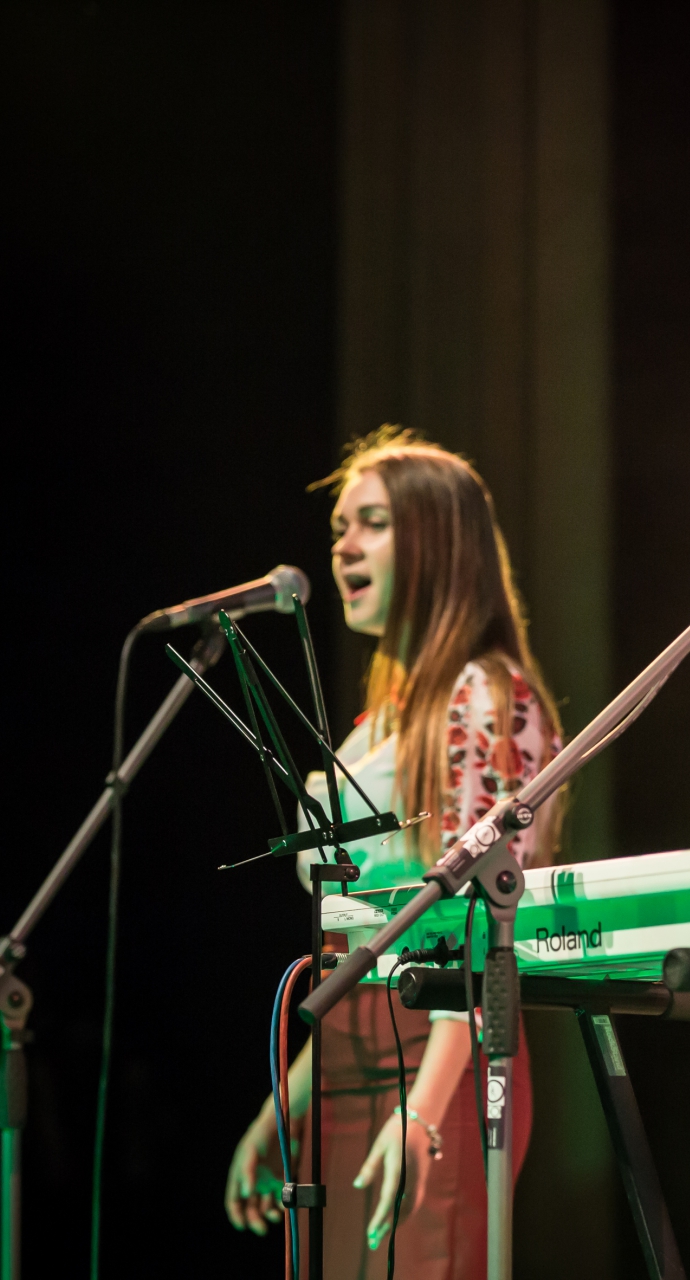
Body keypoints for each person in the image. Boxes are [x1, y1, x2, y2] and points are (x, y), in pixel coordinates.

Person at [223, 428, 562, 1278]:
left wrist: (424, 1113)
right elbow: (361, 943)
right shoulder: (381, 723)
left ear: (437, 541)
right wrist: (283, 1106)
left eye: (372, 523)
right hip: (349, 1064)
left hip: (438, 1057)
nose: (343, 546)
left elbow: (481, 930)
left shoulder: (488, 696)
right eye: (340, 527)